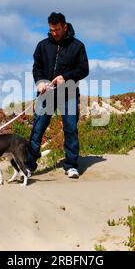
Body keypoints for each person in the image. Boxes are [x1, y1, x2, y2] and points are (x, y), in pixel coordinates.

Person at [25, 12, 89, 178]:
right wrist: (39, 82)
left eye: (57, 29)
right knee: (37, 130)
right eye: (51, 30)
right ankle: (29, 165)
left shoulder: (78, 46)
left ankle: (71, 165)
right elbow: (36, 67)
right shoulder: (42, 45)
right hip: (46, 94)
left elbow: (84, 69)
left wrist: (65, 78)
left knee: (70, 129)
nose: (54, 33)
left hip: (69, 95)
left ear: (65, 26)